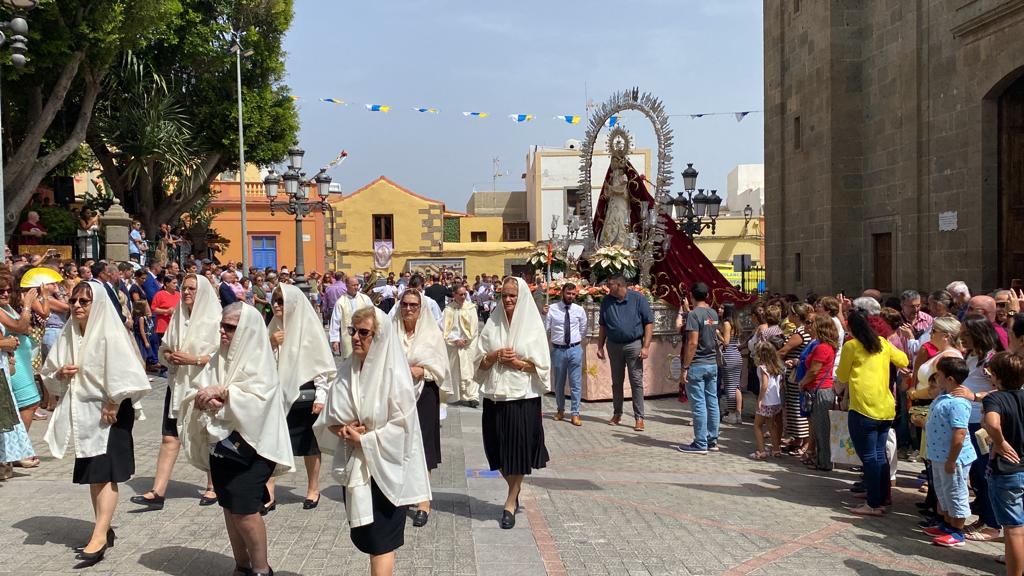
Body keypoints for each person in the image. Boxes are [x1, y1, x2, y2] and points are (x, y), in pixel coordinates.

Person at [40, 281, 151, 568]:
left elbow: (130, 375)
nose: (77, 305)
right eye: (74, 300)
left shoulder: (110, 333)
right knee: (94, 473)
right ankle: (104, 528)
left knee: (105, 472)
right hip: (85, 413)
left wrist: (114, 401)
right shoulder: (70, 333)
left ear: (96, 304)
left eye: (84, 302)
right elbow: (50, 370)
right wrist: (62, 372)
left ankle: (99, 535)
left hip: (110, 413)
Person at [179, 303, 295, 576]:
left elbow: (259, 402)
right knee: (229, 506)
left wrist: (226, 394)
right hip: (221, 445)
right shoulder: (220, 356)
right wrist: (204, 397)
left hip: (253, 447)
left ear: (245, 331)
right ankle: (241, 565)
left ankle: (260, 568)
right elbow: (199, 388)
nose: (222, 331)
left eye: (230, 327)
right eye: (222, 325)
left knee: (244, 510)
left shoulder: (260, 360)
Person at [315, 307, 431, 576]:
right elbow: (330, 418)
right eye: (352, 331)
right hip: (357, 467)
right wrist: (345, 430)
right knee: (369, 540)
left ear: (379, 336)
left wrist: (366, 439)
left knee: (382, 543)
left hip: (387, 470)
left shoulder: (395, 375)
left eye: (363, 332)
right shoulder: (347, 371)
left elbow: (404, 430)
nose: (356, 337)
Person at [132, 274, 221, 510]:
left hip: (203, 386)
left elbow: (223, 357)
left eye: (192, 288)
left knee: (207, 434)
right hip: (178, 384)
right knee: (169, 437)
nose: (188, 292)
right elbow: (164, 348)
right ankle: (158, 490)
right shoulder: (178, 317)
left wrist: (195, 359)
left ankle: (213, 485)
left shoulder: (216, 320)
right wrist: (170, 356)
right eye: (185, 288)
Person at [474, 277, 551, 529]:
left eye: (512, 296)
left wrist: (517, 363)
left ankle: (509, 502)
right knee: (496, 451)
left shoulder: (532, 326)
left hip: (522, 398)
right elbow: (479, 360)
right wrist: (495, 356)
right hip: (495, 397)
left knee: (517, 452)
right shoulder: (493, 323)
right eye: (504, 295)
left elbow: (541, 366)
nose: (507, 300)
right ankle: (514, 491)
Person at [265, 283, 336, 512]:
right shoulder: (273, 326)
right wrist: (271, 343)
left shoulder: (308, 328)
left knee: (309, 446)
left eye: (281, 301)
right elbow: (259, 360)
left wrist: (321, 396)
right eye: (274, 301)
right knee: (272, 443)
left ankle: (313, 489)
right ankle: (269, 490)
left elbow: (320, 366)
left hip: (305, 394)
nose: (276, 305)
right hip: (277, 394)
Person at [837, 307, 909, 516]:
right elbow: (903, 360)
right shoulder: (883, 344)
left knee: (869, 456)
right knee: (880, 455)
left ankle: (873, 503)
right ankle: (880, 495)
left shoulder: (852, 346)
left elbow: (841, 375)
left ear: (851, 328)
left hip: (863, 407)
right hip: (885, 407)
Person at [395, 289, 452, 528]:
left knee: (424, 445)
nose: (409, 309)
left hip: (424, 394)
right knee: (400, 445)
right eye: (405, 305)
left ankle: (423, 501)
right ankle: (403, 493)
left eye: (414, 305)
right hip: (397, 395)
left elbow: (441, 366)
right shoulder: (391, 331)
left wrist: (423, 371)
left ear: (421, 308)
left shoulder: (431, 334)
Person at [952, 315, 1005, 541]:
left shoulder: (993, 359)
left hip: (981, 423)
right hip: (966, 419)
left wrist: (975, 396)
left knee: (985, 473)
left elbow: (1004, 390)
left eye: (966, 334)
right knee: (975, 473)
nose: (962, 339)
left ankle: (992, 524)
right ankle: (984, 517)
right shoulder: (972, 355)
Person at [922, 357, 976, 548]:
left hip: (953, 458)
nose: (936, 377)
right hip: (939, 456)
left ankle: (957, 532)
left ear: (951, 379)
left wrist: (952, 460)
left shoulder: (958, 403)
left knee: (955, 493)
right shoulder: (944, 396)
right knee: (944, 492)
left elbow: (959, 433)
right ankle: (946, 525)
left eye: (940, 375)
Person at [981, 351, 1024, 575]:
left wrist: (1001, 442)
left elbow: (993, 423)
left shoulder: (995, 398)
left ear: (997, 376)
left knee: (1014, 529)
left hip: (1009, 470)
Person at [597, 274, 653, 432]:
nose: (607, 286)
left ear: (620, 285)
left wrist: (646, 347)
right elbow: (603, 325)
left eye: (610, 284)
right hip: (614, 345)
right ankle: (617, 413)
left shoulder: (638, 299)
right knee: (617, 382)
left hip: (634, 345)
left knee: (636, 381)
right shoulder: (606, 301)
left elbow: (648, 323)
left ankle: (639, 417)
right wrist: (600, 346)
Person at [679, 282, 721, 453]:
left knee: (698, 404)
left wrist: (685, 367)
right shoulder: (713, 313)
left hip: (697, 364)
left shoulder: (693, 315)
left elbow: (693, 342)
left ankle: (700, 442)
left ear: (691, 295)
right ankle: (712, 439)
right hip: (712, 363)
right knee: (712, 402)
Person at [797, 316, 839, 471]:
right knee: (818, 427)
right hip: (819, 389)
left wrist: (803, 382)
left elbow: (814, 370)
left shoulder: (822, 347)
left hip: (820, 390)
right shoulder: (824, 345)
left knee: (822, 429)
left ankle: (825, 463)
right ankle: (820, 459)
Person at [545, 282, 588, 426]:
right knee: (559, 383)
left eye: (573, 294)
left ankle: (575, 413)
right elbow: (545, 327)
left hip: (574, 349)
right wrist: (543, 314)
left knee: (576, 383)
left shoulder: (579, 310)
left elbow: (583, 328)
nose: (570, 296)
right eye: (568, 293)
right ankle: (560, 410)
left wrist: (576, 342)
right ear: (562, 293)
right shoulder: (552, 309)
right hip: (558, 350)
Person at [443, 284, 480, 408]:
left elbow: (474, 327)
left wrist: (465, 340)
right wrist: (454, 340)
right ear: (454, 295)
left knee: (470, 369)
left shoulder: (471, 308)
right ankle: (458, 395)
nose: (463, 296)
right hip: (453, 344)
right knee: (456, 369)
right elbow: (444, 327)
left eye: (465, 294)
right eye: (461, 294)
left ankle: (472, 396)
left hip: (468, 344)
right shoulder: (449, 309)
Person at [749, 341, 784, 459]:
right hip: (776, 400)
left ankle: (761, 450)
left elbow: (764, 384)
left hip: (766, 400)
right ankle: (776, 449)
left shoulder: (762, 368)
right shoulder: (776, 367)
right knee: (771, 425)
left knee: (757, 425)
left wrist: (759, 399)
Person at [329, 275, 374, 359]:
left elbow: (373, 314)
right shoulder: (341, 302)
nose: (356, 287)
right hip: (347, 337)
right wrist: (335, 340)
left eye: (357, 285)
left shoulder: (365, 299)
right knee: (348, 362)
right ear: (347, 286)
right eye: (353, 285)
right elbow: (335, 321)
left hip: (363, 335)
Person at [719, 302, 744, 425]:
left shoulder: (726, 323)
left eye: (722, 307)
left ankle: (732, 413)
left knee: (729, 386)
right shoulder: (736, 323)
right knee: (736, 386)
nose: (719, 309)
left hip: (729, 356)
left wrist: (718, 334)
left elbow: (726, 342)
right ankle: (738, 414)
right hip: (737, 356)